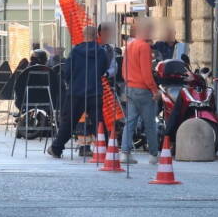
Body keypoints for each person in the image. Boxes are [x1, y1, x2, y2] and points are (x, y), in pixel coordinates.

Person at [48, 26, 109, 159]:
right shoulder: (101, 51)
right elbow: (104, 69)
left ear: (84, 35)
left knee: (69, 122)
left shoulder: (75, 51)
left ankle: (56, 148)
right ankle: (107, 149)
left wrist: (71, 82)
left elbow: (67, 70)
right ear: (96, 36)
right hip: (94, 91)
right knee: (99, 123)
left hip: (76, 92)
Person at [121, 16, 160, 163]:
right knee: (150, 122)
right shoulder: (144, 47)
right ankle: (154, 155)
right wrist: (155, 90)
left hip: (130, 87)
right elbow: (146, 74)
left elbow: (123, 70)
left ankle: (125, 153)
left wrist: (128, 82)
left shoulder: (129, 45)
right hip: (143, 89)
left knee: (130, 122)